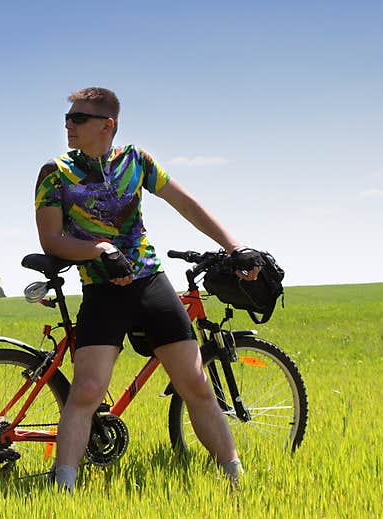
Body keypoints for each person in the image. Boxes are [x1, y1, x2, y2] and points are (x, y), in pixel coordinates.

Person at [34, 87, 263, 492]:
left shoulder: (136, 161)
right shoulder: (56, 172)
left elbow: (187, 205)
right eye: (67, 118)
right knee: (87, 390)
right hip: (102, 290)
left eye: (78, 118)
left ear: (107, 125)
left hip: (149, 282)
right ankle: (63, 490)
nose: (67, 125)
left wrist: (235, 247)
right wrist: (99, 249)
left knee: (195, 383)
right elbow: (51, 239)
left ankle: (235, 481)